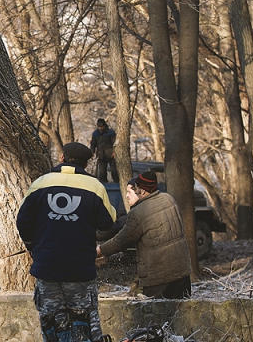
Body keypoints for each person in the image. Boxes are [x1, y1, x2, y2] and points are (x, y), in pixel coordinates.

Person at [17, 142, 117, 342]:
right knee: (83, 322)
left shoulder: (41, 183)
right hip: (80, 269)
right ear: (86, 165)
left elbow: (22, 222)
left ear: (62, 158)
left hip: (46, 267)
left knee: (52, 322)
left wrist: (35, 248)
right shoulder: (95, 187)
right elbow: (108, 222)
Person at [97, 171, 192, 299]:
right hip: (182, 271)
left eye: (135, 189)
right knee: (181, 312)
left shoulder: (139, 212)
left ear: (142, 192)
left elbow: (122, 240)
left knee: (157, 315)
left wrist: (100, 250)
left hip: (158, 276)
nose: (130, 194)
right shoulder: (169, 199)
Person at [90, 119, 119, 184]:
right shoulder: (96, 133)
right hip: (101, 155)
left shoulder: (111, 132)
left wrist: (114, 152)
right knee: (102, 171)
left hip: (110, 154)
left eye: (102, 127)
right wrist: (92, 151)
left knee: (114, 170)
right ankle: (103, 183)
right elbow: (93, 144)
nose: (101, 128)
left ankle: (117, 182)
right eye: (99, 127)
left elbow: (114, 143)